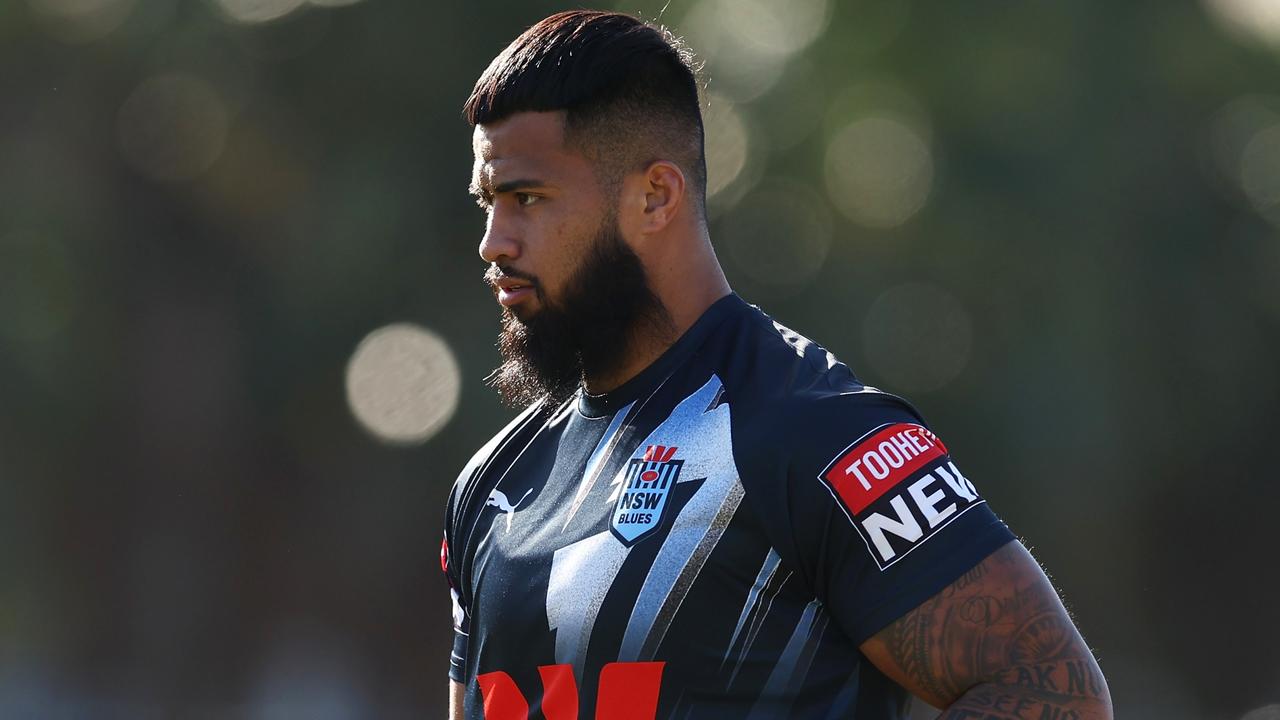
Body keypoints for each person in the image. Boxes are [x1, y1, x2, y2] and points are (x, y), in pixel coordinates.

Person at [442, 10, 1113, 720]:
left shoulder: (816, 431)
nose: (493, 243)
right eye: (489, 203)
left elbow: (1050, 691)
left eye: (526, 199)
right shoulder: (492, 484)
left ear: (655, 196)